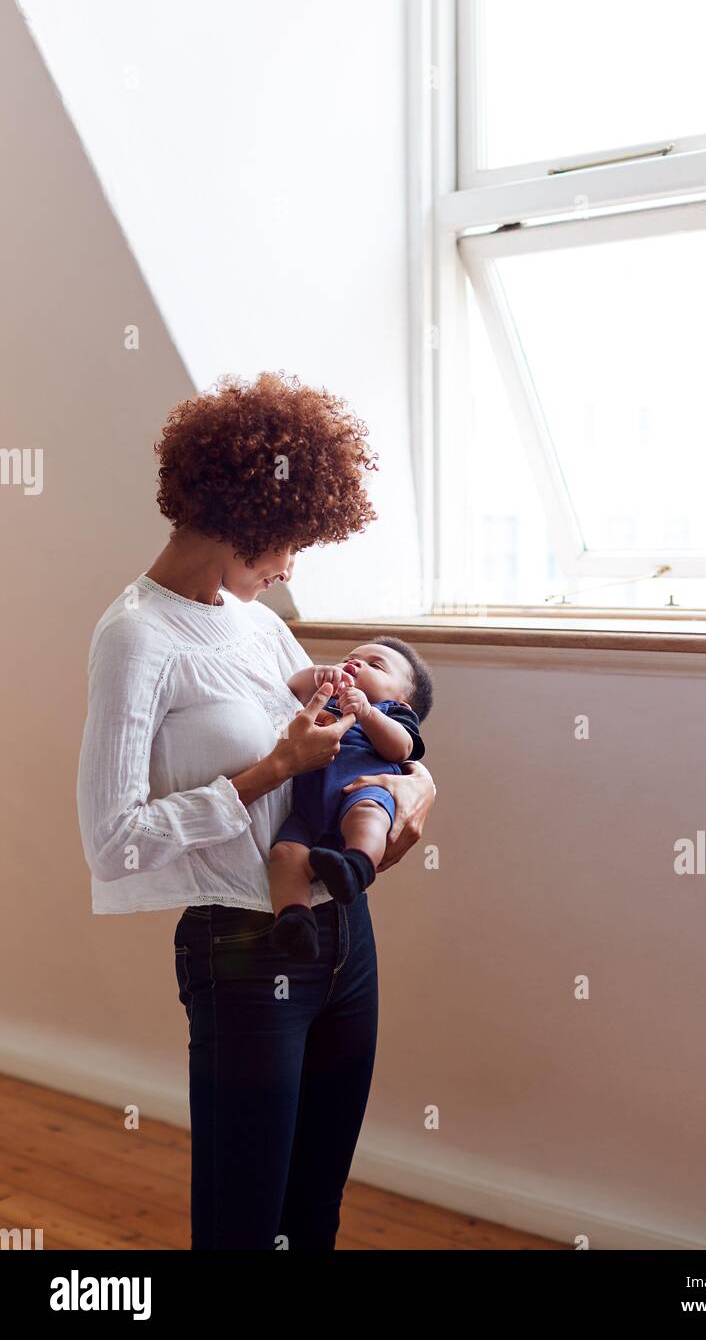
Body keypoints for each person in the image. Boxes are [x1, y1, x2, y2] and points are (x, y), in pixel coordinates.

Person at [76, 372, 436, 1250]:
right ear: (245, 520)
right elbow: (111, 840)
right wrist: (269, 768)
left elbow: (348, 741)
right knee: (244, 1224)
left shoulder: (257, 621)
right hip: (240, 948)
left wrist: (418, 785)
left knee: (313, 1213)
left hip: (343, 935)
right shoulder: (135, 637)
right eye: (289, 543)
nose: (288, 568)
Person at [268, 637, 434, 959]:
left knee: (369, 816)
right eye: (350, 658)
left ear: (403, 699)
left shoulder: (392, 712)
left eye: (375, 665)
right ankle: (295, 919)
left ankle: (356, 866)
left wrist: (368, 714)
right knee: (285, 853)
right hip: (308, 807)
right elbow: (292, 687)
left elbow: (400, 749)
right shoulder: (324, 702)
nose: (355, 663)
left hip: (361, 790)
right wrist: (318, 676)